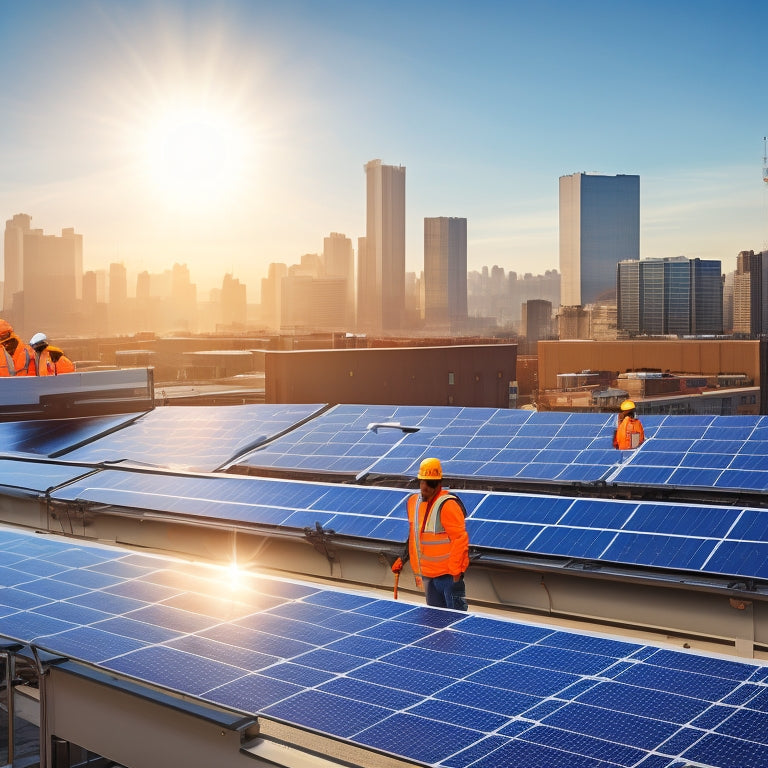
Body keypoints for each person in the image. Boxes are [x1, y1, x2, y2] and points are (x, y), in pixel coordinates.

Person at [391, 457, 469, 611]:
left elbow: (460, 540)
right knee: (434, 620)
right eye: (422, 482)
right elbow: (415, 536)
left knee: (457, 619)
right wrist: (403, 557)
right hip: (428, 576)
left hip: (449, 577)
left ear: (438, 483)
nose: (424, 487)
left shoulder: (448, 504)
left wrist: (456, 573)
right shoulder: (414, 503)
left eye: (429, 483)